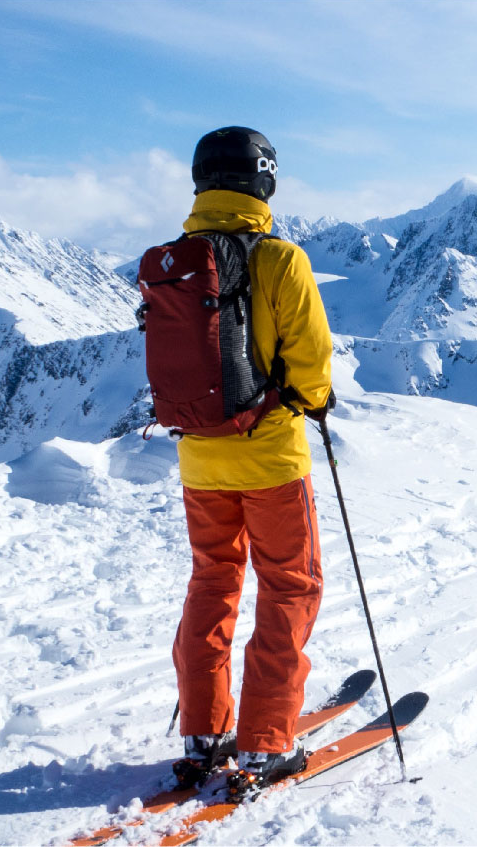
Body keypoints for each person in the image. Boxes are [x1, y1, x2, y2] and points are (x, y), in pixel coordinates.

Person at [164, 126, 335, 799]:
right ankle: (268, 741)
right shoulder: (279, 259)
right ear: (263, 179)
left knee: (213, 581)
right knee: (290, 586)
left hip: (200, 460)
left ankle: (204, 733)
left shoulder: (174, 261)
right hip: (271, 459)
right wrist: (312, 402)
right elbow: (313, 361)